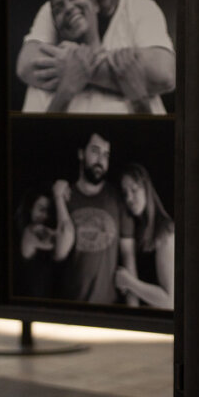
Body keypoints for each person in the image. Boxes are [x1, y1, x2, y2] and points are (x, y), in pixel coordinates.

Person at [16, 0, 174, 114]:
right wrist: (122, 72)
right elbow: (27, 66)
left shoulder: (141, 7)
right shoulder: (58, 7)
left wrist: (79, 67)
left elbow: (164, 76)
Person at [50, 130, 136, 304]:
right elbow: (57, 254)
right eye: (95, 151)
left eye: (106, 155)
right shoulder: (64, 196)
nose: (101, 160)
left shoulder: (118, 198)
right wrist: (58, 198)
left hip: (109, 308)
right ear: (81, 153)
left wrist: (133, 306)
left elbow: (128, 255)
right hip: (69, 306)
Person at [114, 163, 174, 310]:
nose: (129, 198)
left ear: (146, 189)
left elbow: (169, 300)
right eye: (125, 193)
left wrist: (129, 282)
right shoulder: (136, 229)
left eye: (134, 190)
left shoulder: (165, 231)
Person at [14, 187, 59, 300]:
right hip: (31, 300)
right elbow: (56, 242)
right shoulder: (29, 231)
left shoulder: (43, 229)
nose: (45, 215)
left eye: (48, 211)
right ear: (30, 208)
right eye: (41, 209)